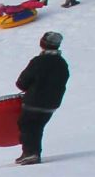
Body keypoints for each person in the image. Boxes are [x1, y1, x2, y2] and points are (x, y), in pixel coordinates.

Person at [14, 31, 68, 165]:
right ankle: (32, 152)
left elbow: (22, 82)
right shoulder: (62, 63)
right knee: (37, 127)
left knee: (27, 125)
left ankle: (30, 153)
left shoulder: (38, 61)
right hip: (52, 103)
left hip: (34, 100)